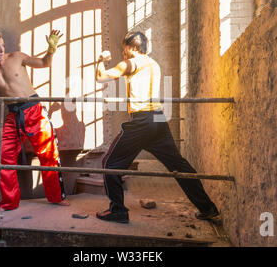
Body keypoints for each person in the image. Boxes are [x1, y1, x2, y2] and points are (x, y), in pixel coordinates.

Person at [94, 31, 219, 223]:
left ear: (131, 47)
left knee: (109, 164)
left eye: (124, 48)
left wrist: (101, 60)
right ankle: (207, 207)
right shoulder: (154, 64)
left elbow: (101, 78)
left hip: (141, 121)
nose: (123, 53)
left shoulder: (130, 63)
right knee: (178, 165)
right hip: (159, 119)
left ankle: (118, 211)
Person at [0, 29, 69, 210]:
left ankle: (56, 197)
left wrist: (51, 49)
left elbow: (44, 63)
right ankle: (9, 202)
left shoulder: (16, 57)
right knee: (2, 157)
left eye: (2, 45)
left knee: (48, 154)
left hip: (34, 109)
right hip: (13, 115)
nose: (1, 50)